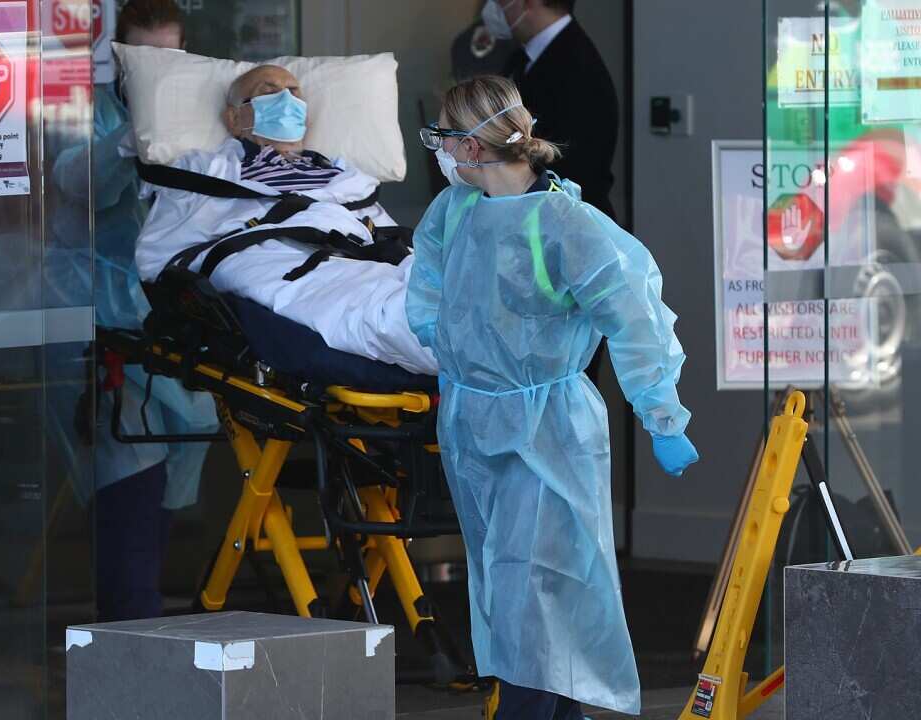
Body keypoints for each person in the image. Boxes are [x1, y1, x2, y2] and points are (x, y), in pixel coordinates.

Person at [408, 76, 698, 718]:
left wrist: (660, 413)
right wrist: (458, 356)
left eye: (445, 139)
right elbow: (428, 294)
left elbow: (635, 315)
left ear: (475, 147)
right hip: (471, 421)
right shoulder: (453, 212)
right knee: (508, 589)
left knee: (533, 590)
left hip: (548, 433)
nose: (442, 154)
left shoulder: (567, 225)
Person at [47, 0, 221, 622]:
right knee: (131, 455)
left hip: (168, 320)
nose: (157, 70)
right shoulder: (93, 113)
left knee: (181, 441)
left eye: (169, 57)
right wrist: (130, 137)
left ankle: (139, 607)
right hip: (100, 318)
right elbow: (75, 182)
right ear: (118, 56)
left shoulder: (204, 116)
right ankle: (131, 621)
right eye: (143, 58)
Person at [135, 64, 438, 377]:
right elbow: (165, 249)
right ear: (234, 118)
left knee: (423, 278)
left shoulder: (345, 178)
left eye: (294, 92)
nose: (285, 99)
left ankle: (457, 320)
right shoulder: (205, 172)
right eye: (267, 91)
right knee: (368, 309)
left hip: (353, 252)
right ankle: (444, 335)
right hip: (269, 255)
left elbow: (384, 234)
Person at [487, 0, 619, 220]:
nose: (494, 6)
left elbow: (566, 159)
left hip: (569, 223)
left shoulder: (577, 66)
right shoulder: (526, 57)